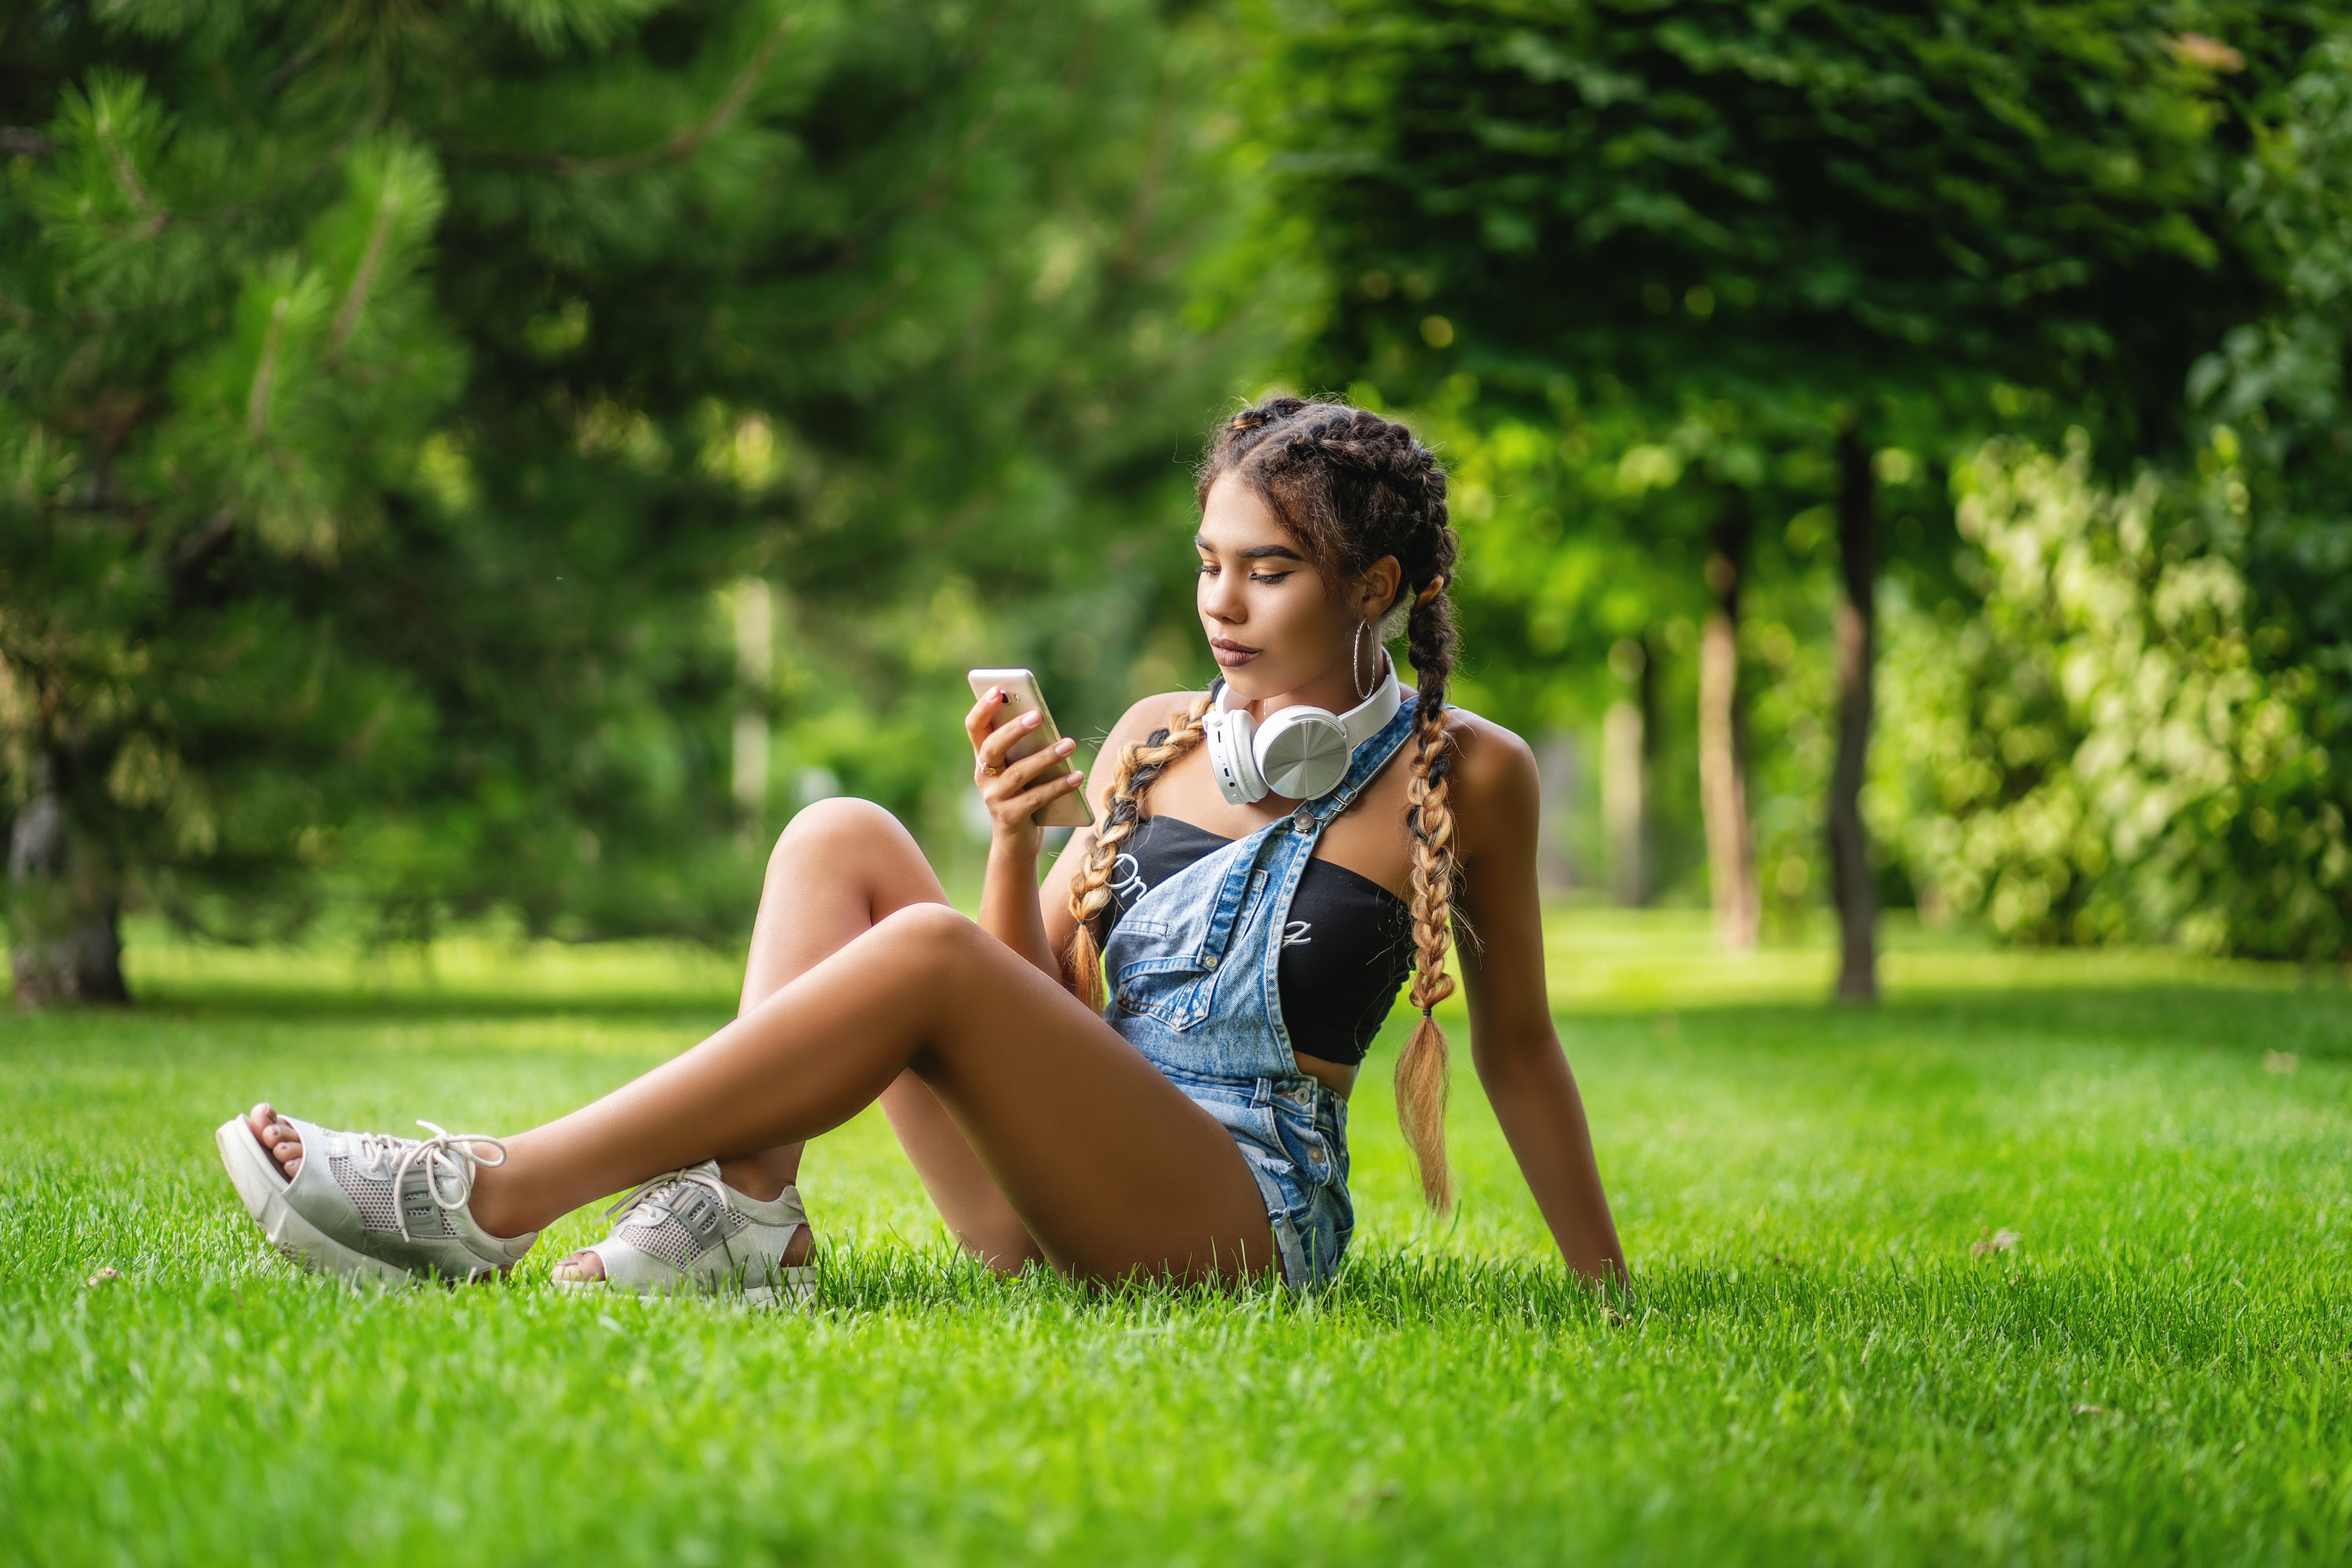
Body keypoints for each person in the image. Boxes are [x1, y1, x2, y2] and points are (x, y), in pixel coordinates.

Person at [217, 398, 1625, 1298]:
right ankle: (745, 1216)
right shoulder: (1154, 732)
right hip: (1054, 1183)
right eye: (1208, 561)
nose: (1223, 603)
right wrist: (1015, 845)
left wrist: (1605, 1294)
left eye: (1270, 569)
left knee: (929, 953)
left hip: (1233, 1217)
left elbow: (1518, 1051)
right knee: (842, 835)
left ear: (1373, 585)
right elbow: (1031, 1009)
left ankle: (492, 1191)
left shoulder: (1468, 773)